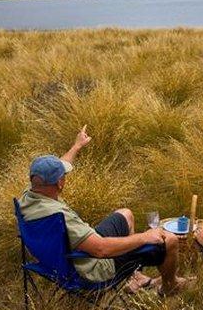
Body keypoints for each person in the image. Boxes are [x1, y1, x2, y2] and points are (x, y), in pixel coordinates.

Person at [17, 125, 190, 295]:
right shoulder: (58, 216)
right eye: (63, 176)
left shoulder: (29, 196)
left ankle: (135, 277)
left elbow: (59, 166)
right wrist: (144, 237)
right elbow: (101, 249)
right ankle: (170, 286)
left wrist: (77, 146)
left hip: (62, 259)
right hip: (92, 269)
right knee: (170, 240)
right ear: (60, 183)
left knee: (126, 214)